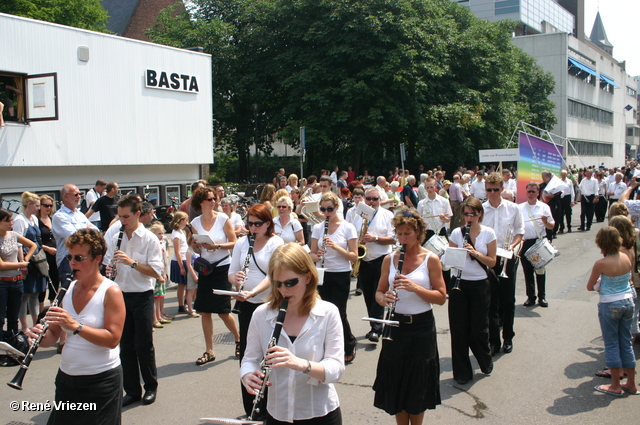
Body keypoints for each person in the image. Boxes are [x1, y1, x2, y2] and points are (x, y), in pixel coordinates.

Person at [240, 243, 345, 424]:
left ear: (308, 277)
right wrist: (247, 375)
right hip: (277, 414)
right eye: (277, 283)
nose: (283, 290)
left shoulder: (328, 313)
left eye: (290, 282)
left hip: (320, 414)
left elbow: (336, 368)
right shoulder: (261, 315)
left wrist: (301, 364)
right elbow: (249, 359)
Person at [31, 228, 126, 425]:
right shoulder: (68, 288)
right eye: (70, 257)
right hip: (67, 378)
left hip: (101, 381)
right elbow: (53, 336)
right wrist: (39, 337)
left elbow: (113, 339)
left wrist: (75, 326)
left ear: (97, 258)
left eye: (79, 258)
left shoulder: (111, 291)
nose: (72, 263)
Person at [373, 209, 446, 424]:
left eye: (408, 234)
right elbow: (378, 292)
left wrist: (415, 288)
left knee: (417, 385)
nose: (403, 239)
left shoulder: (431, 259)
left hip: (421, 328)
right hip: (396, 327)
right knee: (397, 381)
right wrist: (384, 298)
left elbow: (441, 297)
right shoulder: (389, 259)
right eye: (400, 234)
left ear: (419, 232)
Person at [104, 195, 163, 407]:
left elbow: (156, 272)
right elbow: (106, 263)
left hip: (142, 296)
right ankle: (132, 391)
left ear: (138, 214)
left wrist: (131, 263)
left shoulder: (149, 239)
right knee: (125, 345)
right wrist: (109, 269)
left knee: (143, 344)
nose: (122, 221)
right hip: (119, 295)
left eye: (126, 216)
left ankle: (150, 387)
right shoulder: (114, 236)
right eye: (119, 216)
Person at [229, 204, 284, 418]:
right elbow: (231, 272)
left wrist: (252, 291)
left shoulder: (276, 243)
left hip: (270, 304)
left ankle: (271, 405)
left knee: (269, 354)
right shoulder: (242, 243)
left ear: (268, 223)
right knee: (248, 354)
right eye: (249, 223)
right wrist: (236, 282)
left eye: (257, 223)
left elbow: (274, 276)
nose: (252, 228)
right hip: (247, 305)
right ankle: (251, 407)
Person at [448, 197, 497, 385]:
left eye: (473, 214)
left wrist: (475, 253)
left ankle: (484, 360)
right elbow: (450, 262)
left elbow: (492, 261)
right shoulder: (456, 233)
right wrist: (456, 254)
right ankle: (461, 371)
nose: (470, 217)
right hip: (459, 284)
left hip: (479, 284)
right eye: (466, 214)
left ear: (480, 214)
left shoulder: (488, 233)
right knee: (458, 330)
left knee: (478, 329)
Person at [189, 186, 240, 365]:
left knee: (223, 311)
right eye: (210, 199)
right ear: (201, 202)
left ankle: (238, 338)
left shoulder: (223, 219)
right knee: (205, 311)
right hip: (205, 269)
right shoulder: (195, 223)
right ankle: (209, 350)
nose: (214, 202)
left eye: (214, 199)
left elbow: (234, 242)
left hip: (222, 267)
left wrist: (217, 246)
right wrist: (196, 245)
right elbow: (194, 247)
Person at [587, 227, 637, 397]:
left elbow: (590, 286)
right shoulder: (626, 257)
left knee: (611, 343)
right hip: (628, 301)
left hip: (610, 304)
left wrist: (601, 282)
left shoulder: (601, 263)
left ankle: (615, 385)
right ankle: (631, 382)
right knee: (626, 341)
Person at [310, 192, 358, 363]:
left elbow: (354, 256)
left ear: (337, 207)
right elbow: (312, 255)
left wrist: (336, 247)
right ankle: (327, 347)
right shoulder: (317, 227)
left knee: (339, 311)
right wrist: (318, 255)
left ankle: (349, 343)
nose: (326, 212)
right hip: (322, 274)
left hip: (340, 273)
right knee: (321, 311)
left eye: (330, 209)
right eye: (323, 209)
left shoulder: (347, 227)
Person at [483, 173, 524, 355]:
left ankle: (508, 337)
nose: (492, 193)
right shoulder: (481, 209)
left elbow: (519, 232)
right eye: (489, 189)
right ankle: (493, 341)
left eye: (496, 189)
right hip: (489, 259)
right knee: (491, 302)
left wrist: (512, 247)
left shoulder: (513, 208)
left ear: (502, 189)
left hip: (507, 257)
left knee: (508, 301)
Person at [357, 187, 395, 343]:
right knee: (368, 295)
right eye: (369, 199)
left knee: (378, 293)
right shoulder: (357, 214)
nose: (371, 202)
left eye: (375, 199)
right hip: (364, 259)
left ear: (380, 200)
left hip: (382, 258)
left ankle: (376, 329)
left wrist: (376, 239)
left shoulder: (388, 215)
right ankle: (375, 324)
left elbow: (394, 239)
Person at [13, 192, 47, 334]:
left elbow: (39, 241)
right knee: (25, 295)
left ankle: (36, 323)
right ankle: (25, 326)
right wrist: (22, 261)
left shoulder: (33, 218)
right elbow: (18, 243)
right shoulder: (20, 220)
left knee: (35, 294)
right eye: (37, 205)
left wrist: (43, 260)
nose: (39, 208)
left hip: (37, 259)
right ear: (29, 205)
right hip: (27, 260)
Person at [0, 209, 36, 336]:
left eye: (11, 220)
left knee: (13, 317)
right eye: (7, 221)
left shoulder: (14, 235)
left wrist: (26, 258)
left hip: (17, 281)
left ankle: (13, 343)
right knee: (0, 318)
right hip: (2, 283)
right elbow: (2, 265)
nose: (11, 223)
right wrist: (20, 264)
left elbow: (33, 245)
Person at [518, 183, 554, 307]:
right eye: (529, 192)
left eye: (533, 191)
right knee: (527, 272)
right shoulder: (520, 207)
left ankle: (542, 297)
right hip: (526, 242)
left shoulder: (544, 207)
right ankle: (531, 297)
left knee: (540, 270)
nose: (531, 194)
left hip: (539, 242)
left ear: (538, 193)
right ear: (526, 193)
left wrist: (546, 222)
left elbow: (551, 226)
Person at [52, 184, 98, 282]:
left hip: (85, 257)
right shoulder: (59, 216)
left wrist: (83, 230)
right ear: (66, 197)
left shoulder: (80, 214)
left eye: (80, 194)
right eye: (76, 194)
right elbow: (74, 237)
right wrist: (87, 228)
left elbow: (96, 231)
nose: (79, 197)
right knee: (71, 292)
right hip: (68, 259)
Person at [149, 222, 171, 329]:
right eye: (159, 233)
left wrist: (165, 273)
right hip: (156, 275)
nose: (161, 236)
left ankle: (158, 316)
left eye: (162, 233)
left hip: (162, 272)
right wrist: (159, 276)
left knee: (159, 298)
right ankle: (154, 318)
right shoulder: (153, 245)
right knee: (155, 298)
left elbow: (164, 261)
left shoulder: (161, 244)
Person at [170, 212, 189, 314]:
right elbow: (177, 251)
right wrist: (181, 266)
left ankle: (186, 303)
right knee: (181, 285)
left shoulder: (181, 232)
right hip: (179, 261)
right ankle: (181, 305)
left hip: (185, 259)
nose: (187, 222)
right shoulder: (176, 234)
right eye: (186, 220)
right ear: (181, 221)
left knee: (186, 284)